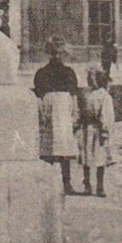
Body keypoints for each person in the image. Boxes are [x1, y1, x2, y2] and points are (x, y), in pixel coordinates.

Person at [33, 36, 80, 195]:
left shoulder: (69, 72)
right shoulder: (41, 73)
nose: (57, 57)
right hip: (50, 106)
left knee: (63, 146)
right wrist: (42, 114)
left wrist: (75, 113)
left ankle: (66, 182)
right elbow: (39, 96)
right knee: (49, 145)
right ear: (49, 54)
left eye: (59, 53)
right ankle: (47, 182)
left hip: (63, 107)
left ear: (63, 54)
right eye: (54, 53)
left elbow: (73, 94)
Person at [78, 68, 116, 198]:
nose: (90, 80)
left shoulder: (103, 95)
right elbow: (80, 109)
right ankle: (87, 184)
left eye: (92, 78)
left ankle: (100, 186)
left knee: (100, 158)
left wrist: (105, 130)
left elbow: (106, 114)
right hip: (86, 128)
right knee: (86, 157)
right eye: (89, 78)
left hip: (97, 129)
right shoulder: (85, 93)